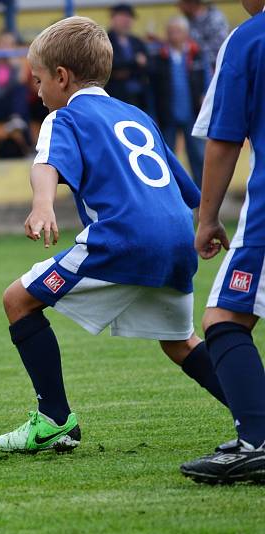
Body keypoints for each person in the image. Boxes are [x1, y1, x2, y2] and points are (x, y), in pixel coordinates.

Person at [0, 17, 227, 456]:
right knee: (181, 342)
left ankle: (54, 421)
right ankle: (255, 417)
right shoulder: (137, 116)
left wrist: (42, 204)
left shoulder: (64, 116)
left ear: (61, 77)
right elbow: (183, 187)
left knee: (18, 300)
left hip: (123, 237)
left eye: (39, 79)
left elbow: (46, 164)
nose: (37, 90)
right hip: (177, 237)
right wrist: (207, 223)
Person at [181, 0, 265, 484]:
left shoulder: (249, 38)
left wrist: (207, 217)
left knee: (224, 317)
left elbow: (224, 135)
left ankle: (257, 441)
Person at [150, 16, 209, 186]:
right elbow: (153, 88)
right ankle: (174, 194)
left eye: (178, 31)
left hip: (193, 114)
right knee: (169, 158)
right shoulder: (159, 56)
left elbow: (207, 80)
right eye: (171, 32)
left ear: (186, 33)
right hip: (167, 115)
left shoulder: (196, 54)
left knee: (199, 156)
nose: (174, 35)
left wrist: (205, 96)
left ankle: (203, 195)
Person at [104, 4, 149, 110]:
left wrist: (127, 69)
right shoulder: (105, 41)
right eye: (123, 17)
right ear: (113, 18)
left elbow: (148, 64)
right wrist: (135, 62)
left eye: (129, 17)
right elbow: (112, 66)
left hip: (138, 97)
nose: (126, 21)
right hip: (116, 96)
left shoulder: (136, 42)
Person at [177, 0, 229, 70]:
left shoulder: (215, 18)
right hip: (195, 68)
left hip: (214, 68)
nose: (179, 7)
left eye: (181, 4)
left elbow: (219, 46)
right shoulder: (187, 20)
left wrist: (195, 49)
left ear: (191, 3)